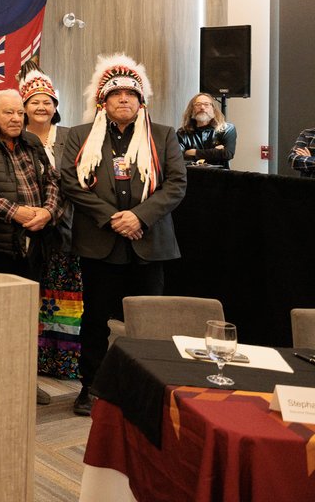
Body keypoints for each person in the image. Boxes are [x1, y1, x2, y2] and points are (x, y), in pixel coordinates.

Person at [59, 54, 186, 417]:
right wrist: (113, 218)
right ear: (103, 101)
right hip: (100, 243)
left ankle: (145, 387)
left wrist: (139, 217)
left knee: (147, 320)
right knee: (96, 319)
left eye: (132, 94)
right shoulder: (80, 136)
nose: (124, 99)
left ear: (141, 101)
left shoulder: (162, 135)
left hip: (149, 244)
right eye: (117, 95)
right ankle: (92, 387)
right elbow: (70, 181)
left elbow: (176, 184)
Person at [19, 70, 83, 390]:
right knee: (34, 294)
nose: (42, 107)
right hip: (29, 229)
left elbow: (76, 180)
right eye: (35, 102)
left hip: (68, 228)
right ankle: (34, 360)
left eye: (47, 101)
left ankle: (65, 361)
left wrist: (53, 213)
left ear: (55, 105)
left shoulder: (71, 135)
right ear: (24, 106)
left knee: (66, 295)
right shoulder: (17, 136)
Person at [0, 89, 62, 277]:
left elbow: (52, 180)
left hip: (35, 241)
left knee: (29, 303)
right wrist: (14, 212)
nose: (16, 118)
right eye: (9, 112)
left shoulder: (31, 141)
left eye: (20, 113)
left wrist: (48, 211)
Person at [177, 93, 236, 168]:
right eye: (198, 104)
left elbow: (227, 154)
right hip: (192, 176)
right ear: (191, 110)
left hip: (219, 176)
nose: (202, 107)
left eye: (206, 104)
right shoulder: (182, 132)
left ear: (213, 109)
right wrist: (214, 151)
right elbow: (178, 157)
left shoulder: (227, 129)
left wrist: (193, 152)